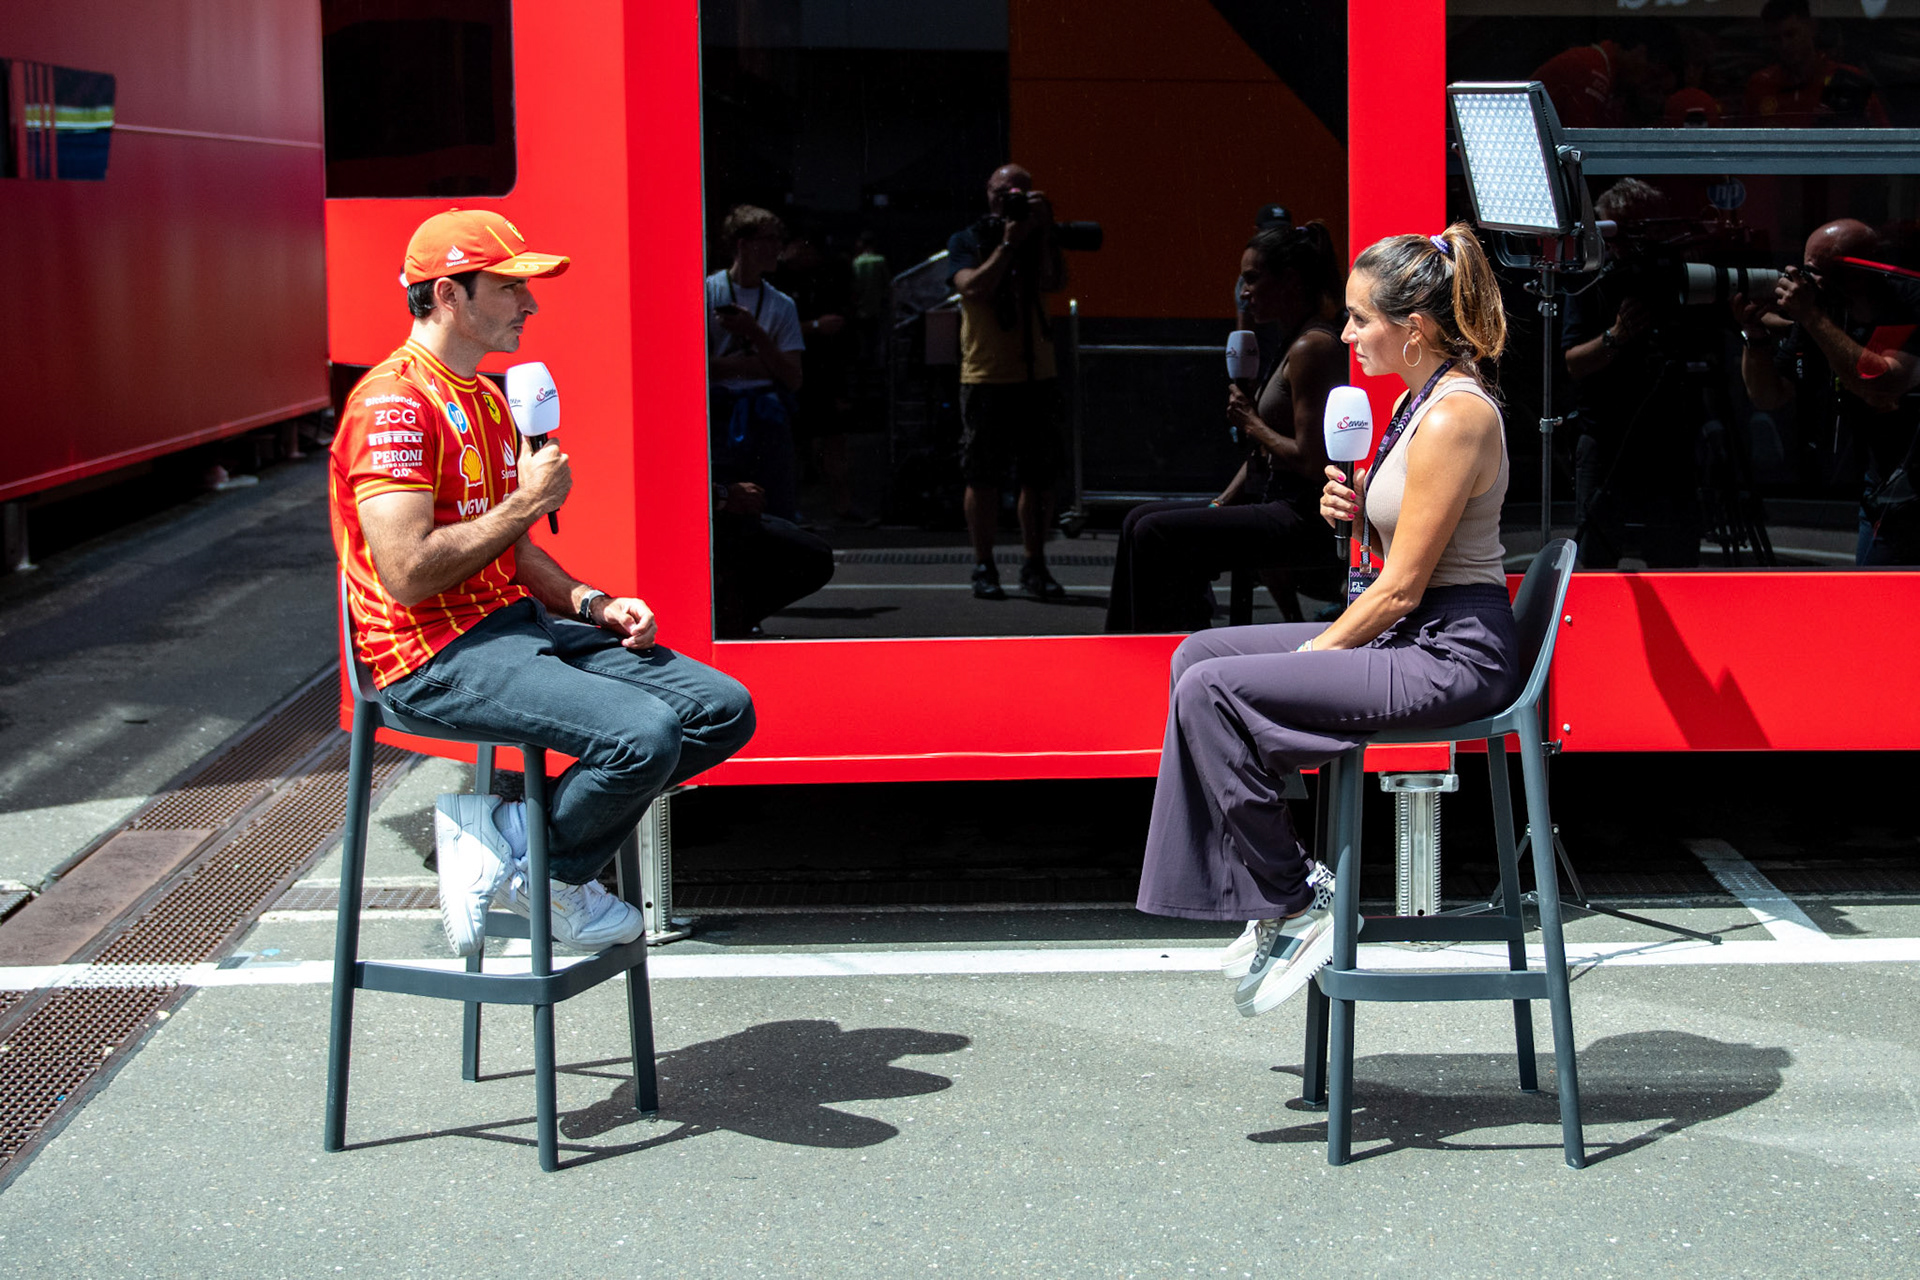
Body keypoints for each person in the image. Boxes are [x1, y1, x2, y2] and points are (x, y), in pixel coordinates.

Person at [331, 208, 756, 956]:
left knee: (722, 709)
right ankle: (554, 882)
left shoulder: (489, 397)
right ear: (448, 296)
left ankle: (506, 833)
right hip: (428, 655)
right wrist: (528, 500)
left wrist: (593, 602)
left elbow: (514, 551)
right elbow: (405, 573)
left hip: (511, 626)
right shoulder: (392, 404)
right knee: (642, 734)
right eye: (508, 288)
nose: (530, 305)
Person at [1137, 224, 1519, 1018]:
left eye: (1359, 319)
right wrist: (1354, 515)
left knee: (1215, 692)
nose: (1344, 334)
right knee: (1194, 657)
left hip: (1451, 652)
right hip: (1415, 635)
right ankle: (1266, 890)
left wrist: (1314, 651)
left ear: (1411, 328)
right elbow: (1404, 549)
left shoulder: (1455, 415)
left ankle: (1295, 899)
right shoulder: (1421, 400)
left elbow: (1404, 589)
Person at [1105, 222, 1345, 632]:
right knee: (1137, 520)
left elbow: (1312, 460)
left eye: (1253, 278)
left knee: (1156, 534)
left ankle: (1167, 651)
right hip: (1275, 503)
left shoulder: (1313, 346)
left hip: (1303, 517)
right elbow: (1260, 452)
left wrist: (1252, 422)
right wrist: (1221, 501)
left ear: (1289, 280)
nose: (1244, 291)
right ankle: (1120, 651)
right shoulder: (1291, 341)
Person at [1736, 219, 1920, 565]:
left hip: (1910, 475)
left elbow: (1881, 384)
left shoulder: (1908, 302)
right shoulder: (1825, 309)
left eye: (1813, 271)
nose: (1803, 281)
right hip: (1884, 481)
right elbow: (1769, 396)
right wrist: (1754, 335)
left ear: (1855, 273)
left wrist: (1812, 317)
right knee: (1876, 596)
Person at [1560, 178, 1704, 568]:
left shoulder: (1679, 277)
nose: (1618, 246)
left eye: (1630, 233)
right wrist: (1617, 336)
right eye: (1611, 233)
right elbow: (1573, 362)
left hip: (1670, 437)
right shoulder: (1593, 280)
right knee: (1595, 557)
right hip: (1605, 435)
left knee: (1674, 555)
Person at [947, 163, 1069, 601]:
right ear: (988, 193)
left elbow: (1056, 281)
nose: (1009, 199)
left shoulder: (1037, 239)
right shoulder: (967, 240)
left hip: (1037, 373)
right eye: (1003, 191)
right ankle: (984, 564)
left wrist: (1044, 232)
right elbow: (972, 288)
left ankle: (1035, 564)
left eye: (1020, 192)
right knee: (982, 476)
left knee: (1038, 477)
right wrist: (1007, 245)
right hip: (986, 373)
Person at [708, 205, 807, 521]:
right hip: (719, 413)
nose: (777, 248)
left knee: (776, 506)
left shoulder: (782, 304)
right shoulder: (706, 292)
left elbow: (793, 377)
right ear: (742, 244)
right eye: (768, 239)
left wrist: (754, 333)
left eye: (779, 239)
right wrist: (762, 364)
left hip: (765, 417)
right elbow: (695, 369)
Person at [1743, 0, 1888, 128]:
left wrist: (1852, 125)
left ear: (1812, 28)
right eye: (1775, 39)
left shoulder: (1849, 81)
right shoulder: (1760, 84)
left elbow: (1885, 143)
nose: (1784, 45)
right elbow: (1742, 146)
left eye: (1791, 34)